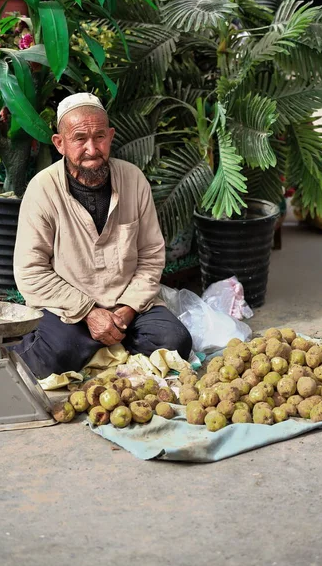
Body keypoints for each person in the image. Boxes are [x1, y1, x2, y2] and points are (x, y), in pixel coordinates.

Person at [12, 93, 192, 379]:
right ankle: (103, 350)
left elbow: (151, 256)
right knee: (52, 357)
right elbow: (31, 272)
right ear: (60, 143)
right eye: (79, 138)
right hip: (68, 310)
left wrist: (128, 309)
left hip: (126, 307)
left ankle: (96, 352)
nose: (92, 149)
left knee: (175, 341)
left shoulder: (133, 179)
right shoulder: (42, 190)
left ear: (111, 136)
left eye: (99, 137)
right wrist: (89, 312)